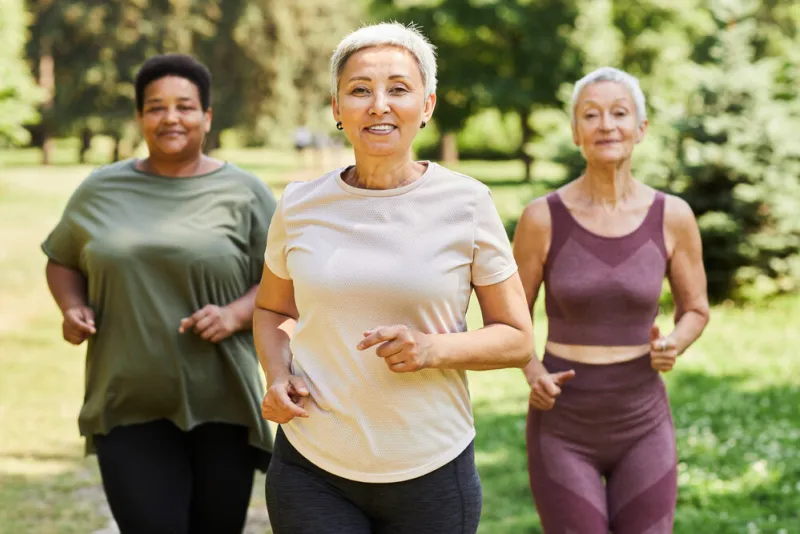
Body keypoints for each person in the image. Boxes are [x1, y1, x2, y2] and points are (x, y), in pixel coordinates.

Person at [254, 22, 535, 534]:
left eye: (398, 89)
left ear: (426, 105)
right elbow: (273, 308)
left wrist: (432, 349)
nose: (378, 105)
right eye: (360, 90)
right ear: (337, 107)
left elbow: (516, 339)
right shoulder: (298, 205)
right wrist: (276, 374)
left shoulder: (467, 203)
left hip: (431, 468)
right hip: (312, 466)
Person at [41, 53, 276, 534]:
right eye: (156, 107)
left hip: (223, 403)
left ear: (206, 117)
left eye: (185, 106)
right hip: (127, 399)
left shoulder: (245, 192)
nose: (171, 117)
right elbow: (61, 259)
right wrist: (72, 306)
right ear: (140, 117)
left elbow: (283, 280)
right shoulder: (101, 189)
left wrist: (234, 314)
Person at [513, 66, 710, 534]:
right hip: (562, 423)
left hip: (644, 421)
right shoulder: (541, 218)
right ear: (575, 131)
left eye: (619, 113)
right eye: (591, 115)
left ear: (640, 128)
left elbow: (696, 309)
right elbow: (510, 317)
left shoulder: (673, 216)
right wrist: (532, 372)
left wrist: (674, 344)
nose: (606, 125)